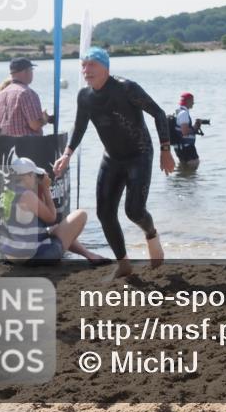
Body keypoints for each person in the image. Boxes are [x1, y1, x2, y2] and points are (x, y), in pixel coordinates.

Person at [52, 48, 175, 279]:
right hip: (112, 157)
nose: (86, 70)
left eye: (91, 65)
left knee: (134, 211)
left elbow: (159, 114)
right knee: (104, 212)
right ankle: (124, 263)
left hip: (139, 154)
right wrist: (67, 153)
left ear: (105, 68)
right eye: (83, 65)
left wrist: (165, 150)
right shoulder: (84, 96)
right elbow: (79, 127)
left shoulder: (126, 88)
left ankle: (151, 234)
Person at [0, 157, 106, 265]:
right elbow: (51, 218)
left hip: (11, 254)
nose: (36, 179)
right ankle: (90, 255)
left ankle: (89, 255)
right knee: (81, 215)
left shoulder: (8, 192)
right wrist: (46, 189)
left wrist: (39, 189)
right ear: (28, 176)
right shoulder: (27, 195)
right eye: (34, 175)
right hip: (31, 257)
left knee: (55, 228)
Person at [0, 58, 51, 136]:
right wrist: (44, 119)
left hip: (5, 145)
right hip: (27, 145)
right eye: (31, 70)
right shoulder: (26, 93)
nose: (32, 73)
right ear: (25, 71)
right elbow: (35, 125)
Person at [173, 92, 201, 167]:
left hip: (180, 146)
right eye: (192, 101)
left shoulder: (178, 112)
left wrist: (194, 127)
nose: (193, 103)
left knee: (185, 169)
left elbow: (182, 129)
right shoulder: (184, 113)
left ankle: (183, 177)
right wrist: (195, 128)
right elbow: (184, 132)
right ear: (188, 101)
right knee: (195, 164)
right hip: (186, 147)